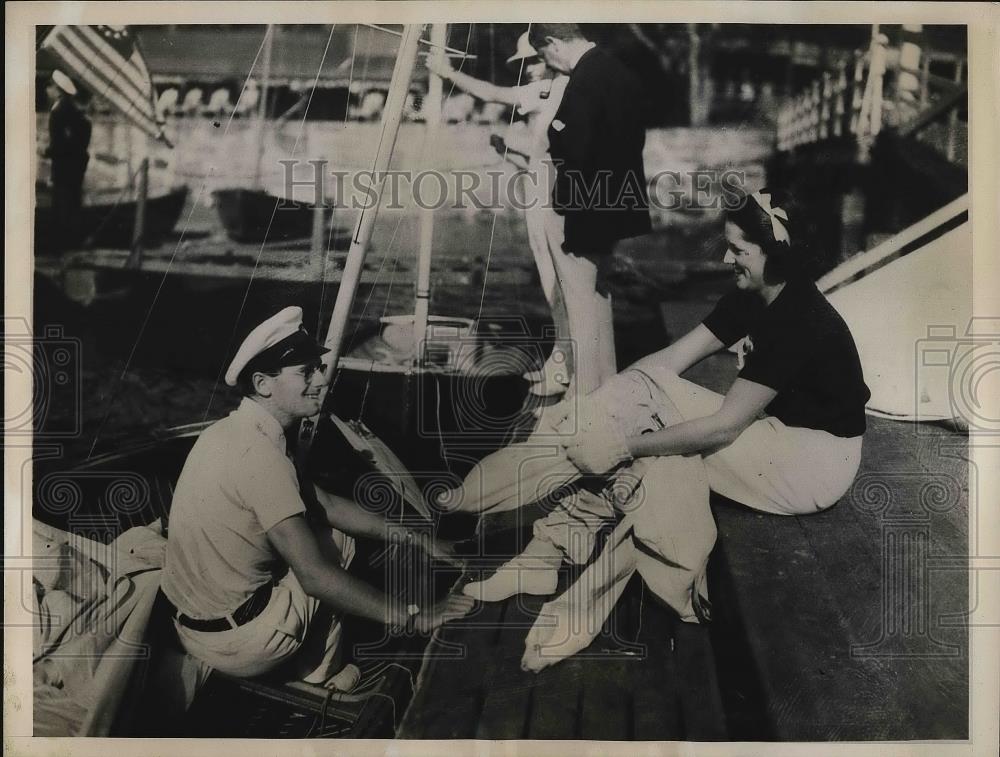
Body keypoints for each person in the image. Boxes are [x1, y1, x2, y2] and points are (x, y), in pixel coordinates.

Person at [444, 190, 870, 670]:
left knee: (649, 455)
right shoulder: (752, 295)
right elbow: (668, 363)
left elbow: (724, 428)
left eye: (740, 251)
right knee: (639, 413)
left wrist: (621, 442)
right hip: (774, 436)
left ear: (777, 256)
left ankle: (541, 557)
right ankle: (548, 565)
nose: (727, 258)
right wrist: (600, 406)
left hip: (811, 466)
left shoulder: (800, 319)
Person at [161, 307, 474, 685]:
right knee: (334, 547)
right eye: (306, 372)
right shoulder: (261, 456)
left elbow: (322, 502)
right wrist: (417, 615)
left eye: (317, 368)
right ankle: (320, 675)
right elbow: (313, 577)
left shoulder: (227, 433)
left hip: (190, 631)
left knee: (326, 530)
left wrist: (418, 538)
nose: (322, 380)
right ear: (263, 384)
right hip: (243, 645)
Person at [426, 32, 575, 397]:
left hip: (553, 196)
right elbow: (537, 160)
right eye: (524, 65)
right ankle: (562, 360)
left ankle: (568, 364)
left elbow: (492, 93)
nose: (528, 70)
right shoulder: (550, 92)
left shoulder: (552, 89)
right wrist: (508, 152)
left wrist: (445, 71)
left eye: (534, 61)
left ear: (549, 57)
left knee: (560, 284)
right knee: (551, 282)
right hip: (542, 189)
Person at [528, 23, 652, 395]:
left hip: (581, 209)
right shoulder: (620, 73)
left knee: (579, 304)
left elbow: (575, 150)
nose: (546, 64)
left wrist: (564, 207)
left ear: (552, 43)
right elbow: (631, 141)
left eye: (542, 55)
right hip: (614, 204)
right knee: (599, 300)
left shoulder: (584, 80)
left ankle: (582, 399)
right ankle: (605, 387)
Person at [43, 70, 91, 252]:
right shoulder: (75, 111)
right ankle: (73, 243)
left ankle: (60, 247)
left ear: (57, 89)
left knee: (62, 206)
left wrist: (45, 151)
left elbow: (60, 145)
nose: (47, 91)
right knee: (73, 204)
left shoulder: (58, 111)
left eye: (49, 87)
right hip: (76, 168)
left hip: (63, 168)